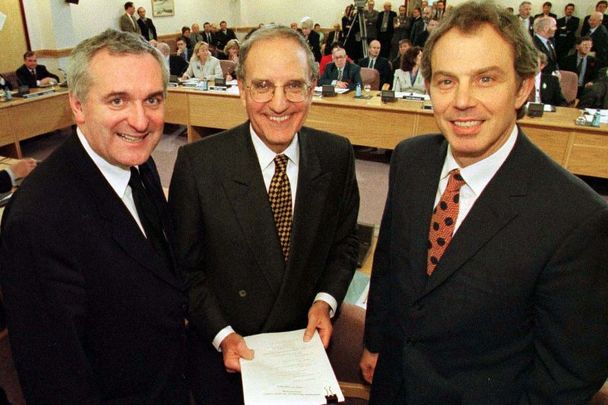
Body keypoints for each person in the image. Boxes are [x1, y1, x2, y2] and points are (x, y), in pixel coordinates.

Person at [360, 2, 608, 403]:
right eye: (446, 81)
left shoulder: (577, 218)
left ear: (523, 87)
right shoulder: (410, 159)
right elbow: (389, 263)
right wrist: (375, 343)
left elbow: (567, 376)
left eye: (485, 79)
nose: (462, 101)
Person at [169, 25, 359, 405]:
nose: (278, 103)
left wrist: (326, 302)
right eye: (262, 86)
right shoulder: (198, 164)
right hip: (227, 354)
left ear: (311, 88)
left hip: (304, 355)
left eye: (293, 86)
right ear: (241, 88)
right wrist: (222, 334)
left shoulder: (337, 155)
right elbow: (185, 270)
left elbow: (344, 245)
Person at [0, 29, 189, 404]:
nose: (140, 121)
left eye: (152, 99)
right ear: (78, 106)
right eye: (117, 100)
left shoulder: (138, 162)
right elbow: (57, 381)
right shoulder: (37, 223)